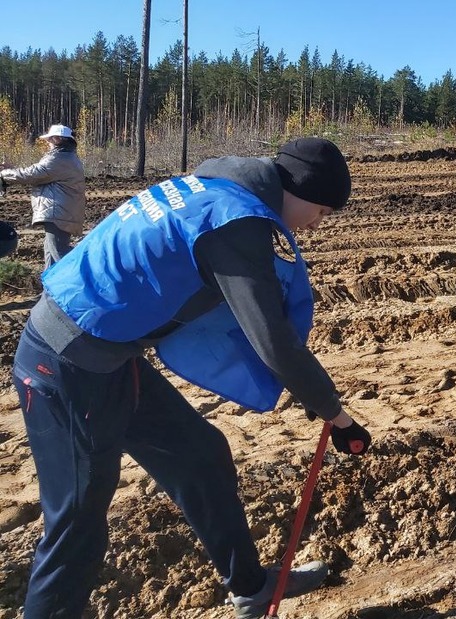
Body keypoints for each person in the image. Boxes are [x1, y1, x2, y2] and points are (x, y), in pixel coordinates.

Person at [10, 137, 372, 619]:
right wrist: (336, 414)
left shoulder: (211, 187)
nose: (315, 225)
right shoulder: (234, 221)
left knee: (199, 455)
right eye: (322, 212)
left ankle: (251, 586)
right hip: (64, 362)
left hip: (112, 354)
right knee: (76, 519)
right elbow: (272, 338)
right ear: (301, 190)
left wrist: (301, 386)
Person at [0, 124, 87, 271]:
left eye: (49, 140)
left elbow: (32, 174)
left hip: (58, 213)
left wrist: (4, 174)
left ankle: (89, 279)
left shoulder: (60, 158)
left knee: (60, 254)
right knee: (50, 255)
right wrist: (11, 170)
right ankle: (48, 294)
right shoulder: (66, 157)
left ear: (58, 139)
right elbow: (38, 172)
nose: (48, 143)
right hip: (61, 213)